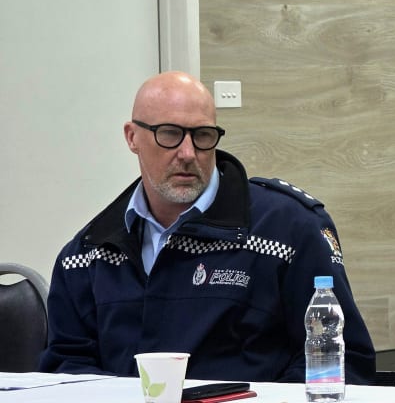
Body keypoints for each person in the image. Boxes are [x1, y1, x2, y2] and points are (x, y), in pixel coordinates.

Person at [40, 71, 376, 384]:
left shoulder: (289, 231)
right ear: (132, 137)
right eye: (169, 134)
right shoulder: (86, 256)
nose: (188, 153)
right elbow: (66, 372)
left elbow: (342, 362)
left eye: (202, 136)